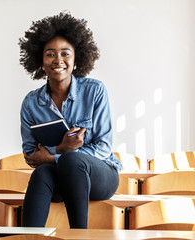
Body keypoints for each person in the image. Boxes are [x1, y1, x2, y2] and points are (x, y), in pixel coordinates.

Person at [19, 11, 122, 229]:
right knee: (42, 173)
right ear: (41, 61)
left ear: (76, 60)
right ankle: (27, 235)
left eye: (65, 53)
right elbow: (31, 156)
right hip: (59, 178)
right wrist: (60, 149)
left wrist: (56, 155)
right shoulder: (30, 104)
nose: (58, 60)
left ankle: (79, 235)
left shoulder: (95, 91)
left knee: (70, 160)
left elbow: (103, 148)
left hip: (101, 175)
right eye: (50, 54)